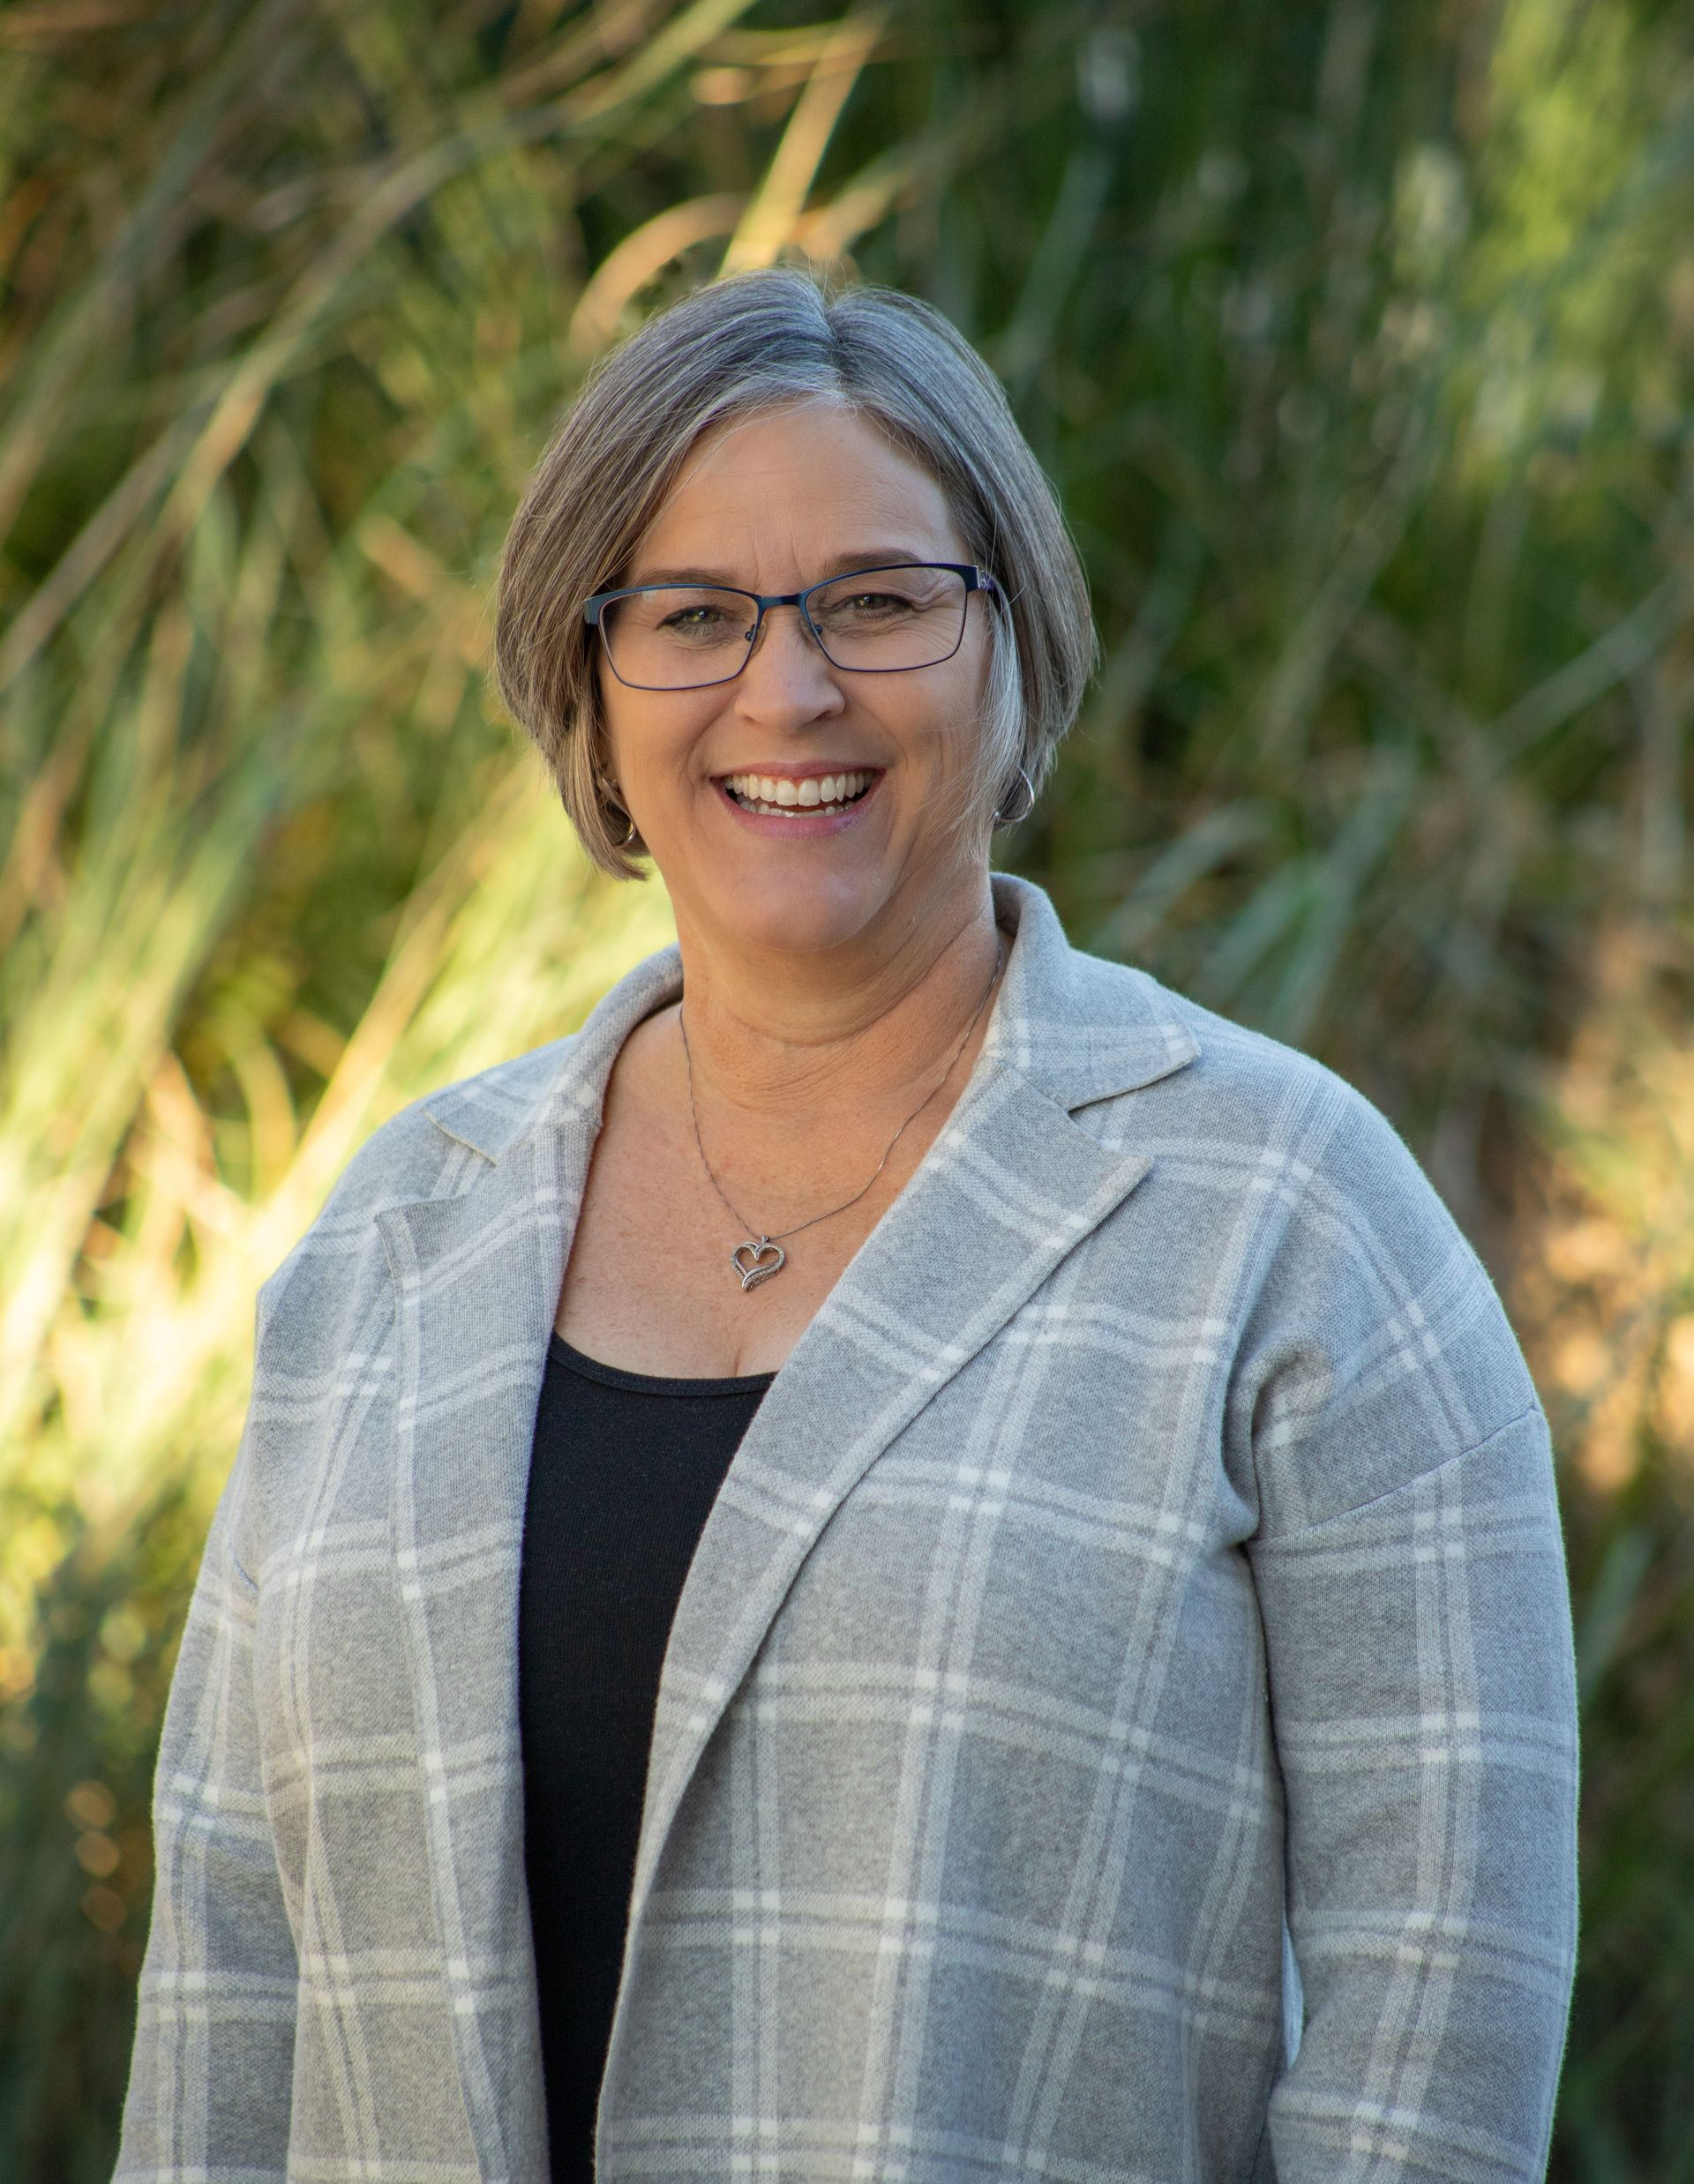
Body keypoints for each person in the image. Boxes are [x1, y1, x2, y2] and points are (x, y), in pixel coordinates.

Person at [117, 268, 1578, 2184]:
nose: (789, 688)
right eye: (693, 615)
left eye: (880, 602)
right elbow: (228, 1970)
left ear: (1012, 646)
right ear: (590, 686)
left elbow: (1437, 2030)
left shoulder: (1289, 1221)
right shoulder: (401, 1232)